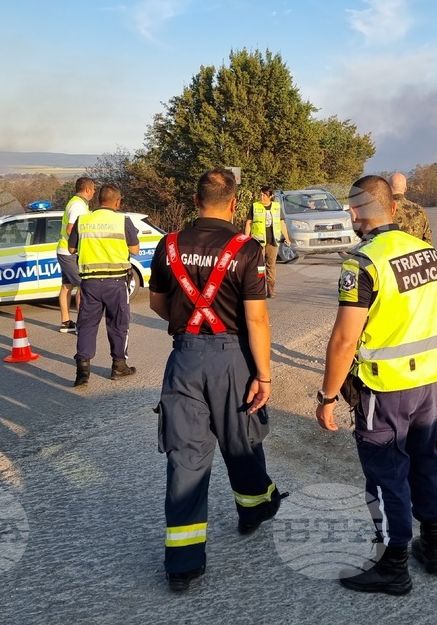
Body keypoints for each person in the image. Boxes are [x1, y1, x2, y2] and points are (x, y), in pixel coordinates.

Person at [316, 174, 437, 596]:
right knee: (425, 460)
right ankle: (434, 548)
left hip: (384, 391)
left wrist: (327, 396)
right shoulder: (433, 253)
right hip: (428, 383)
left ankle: (393, 563)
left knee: (384, 472)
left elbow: (344, 340)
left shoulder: (362, 263)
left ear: (355, 211)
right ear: (394, 208)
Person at [150, 168, 283, 593]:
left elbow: (156, 303)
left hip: (185, 358)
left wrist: (189, 323)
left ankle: (183, 566)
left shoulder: (168, 244)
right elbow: (256, 317)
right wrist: (263, 374)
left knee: (186, 456)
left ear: (195, 200)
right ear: (233, 204)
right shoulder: (247, 249)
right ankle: (254, 510)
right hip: (233, 359)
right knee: (241, 439)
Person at [68, 184, 139, 387]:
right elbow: (134, 250)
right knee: (118, 324)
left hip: (90, 282)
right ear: (117, 202)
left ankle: (82, 371)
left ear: (99, 200)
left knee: (86, 325)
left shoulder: (83, 220)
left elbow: (71, 248)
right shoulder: (122, 220)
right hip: (116, 282)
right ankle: (119, 365)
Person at [56, 177, 96, 333]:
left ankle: (65, 323)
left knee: (67, 286)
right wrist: (82, 244)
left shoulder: (76, 202)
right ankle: (82, 324)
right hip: (70, 252)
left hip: (64, 251)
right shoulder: (78, 205)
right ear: (87, 189)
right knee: (84, 287)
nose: (94, 192)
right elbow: (70, 229)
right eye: (93, 189)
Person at [244, 185, 291, 298]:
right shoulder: (255, 206)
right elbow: (248, 223)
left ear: (271, 196)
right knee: (259, 265)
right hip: (258, 241)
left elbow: (282, 223)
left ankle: (270, 288)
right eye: (260, 194)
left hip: (273, 240)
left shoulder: (276, 206)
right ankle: (259, 287)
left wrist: (287, 238)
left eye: (264, 194)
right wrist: (246, 239)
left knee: (271, 265)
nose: (262, 196)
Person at [389, 172, 432, 243]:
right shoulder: (420, 210)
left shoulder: (382, 210)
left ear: (388, 188)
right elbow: (427, 240)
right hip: (416, 252)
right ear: (405, 189)